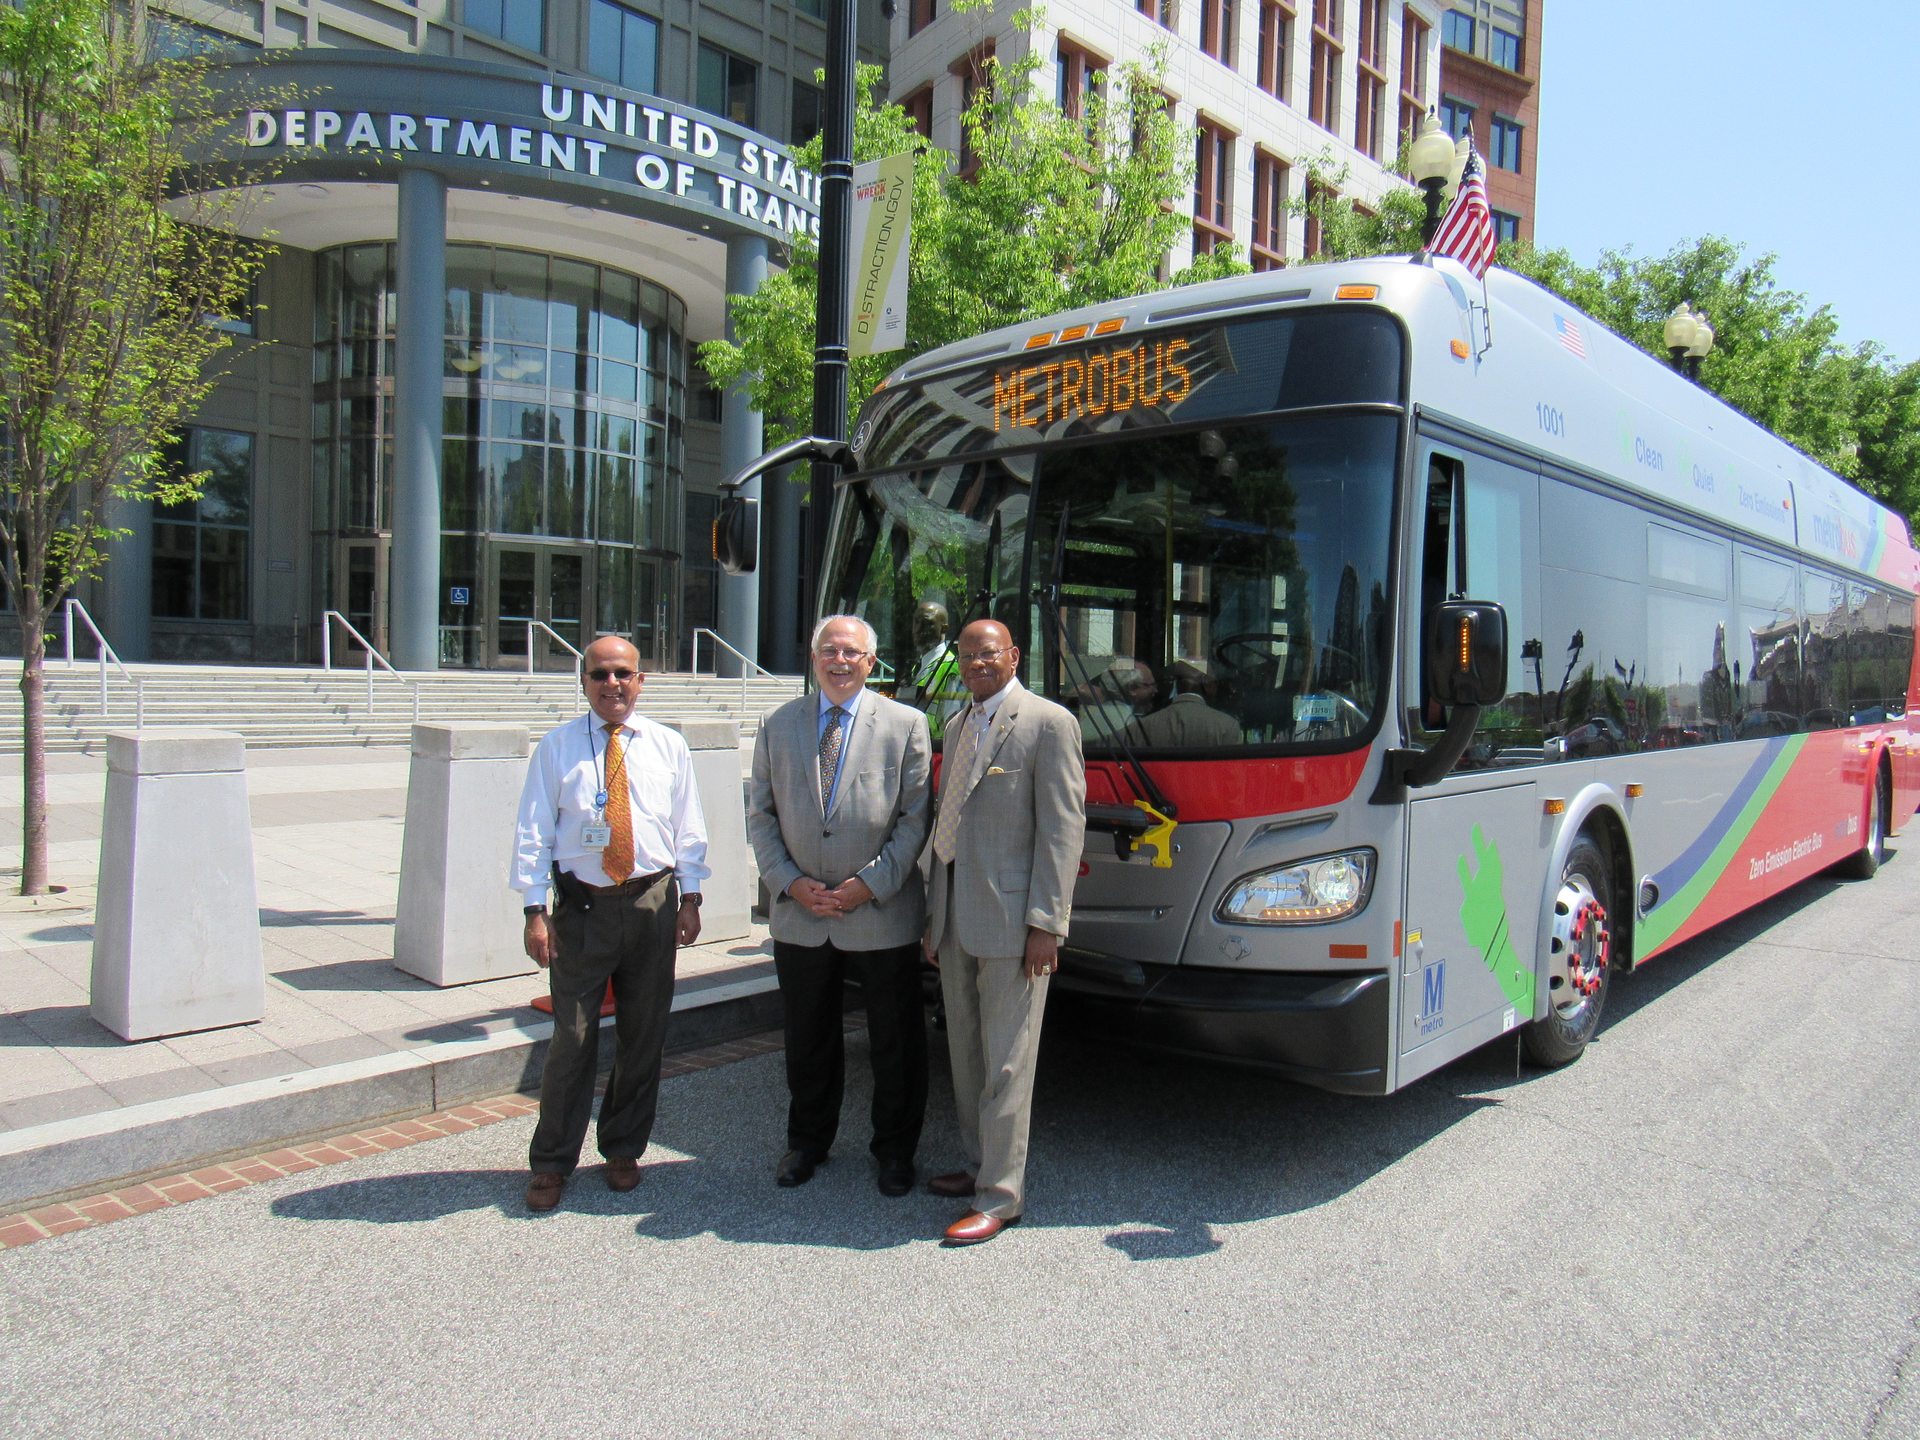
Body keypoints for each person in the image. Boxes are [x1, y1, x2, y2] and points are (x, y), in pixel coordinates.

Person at [511, 636, 708, 1213]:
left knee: (643, 1035)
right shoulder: (556, 748)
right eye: (600, 674)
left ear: (641, 680)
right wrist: (533, 911)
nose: (612, 683)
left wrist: (691, 897)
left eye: (624, 673)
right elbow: (533, 831)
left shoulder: (668, 746)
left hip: (652, 901)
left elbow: (687, 826)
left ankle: (623, 1147)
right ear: (584, 682)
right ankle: (551, 1161)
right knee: (571, 1040)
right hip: (583, 910)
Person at [747, 615, 934, 1196]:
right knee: (807, 1038)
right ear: (812, 656)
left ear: (871, 663)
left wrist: (868, 885)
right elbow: (760, 815)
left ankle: (895, 1152)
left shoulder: (907, 725)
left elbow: (915, 818)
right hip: (801, 911)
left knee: (895, 1041)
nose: (839, 660)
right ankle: (806, 1143)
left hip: (880, 908)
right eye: (829, 650)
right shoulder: (777, 724)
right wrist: (790, 882)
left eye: (851, 653)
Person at [923, 618, 1085, 1245]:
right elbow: (949, 825)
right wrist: (933, 919)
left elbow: (1062, 832)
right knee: (966, 1056)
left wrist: (1047, 924)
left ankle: (1002, 1195)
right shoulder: (959, 724)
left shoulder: (1049, 723)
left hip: (1017, 925)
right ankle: (976, 1166)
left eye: (987, 653)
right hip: (955, 917)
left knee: (1009, 1062)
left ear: (1013, 655)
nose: (976, 663)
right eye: (966, 655)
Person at [1134, 659, 1242, 747]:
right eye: (1214, 682)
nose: (1216, 687)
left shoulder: (1141, 727)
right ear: (1206, 683)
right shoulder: (1227, 726)